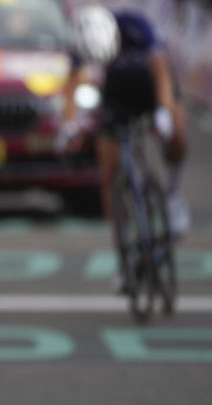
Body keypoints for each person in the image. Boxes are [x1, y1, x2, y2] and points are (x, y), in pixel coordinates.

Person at [60, 3, 190, 239]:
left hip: (151, 86)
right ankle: (123, 244)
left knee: (177, 130)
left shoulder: (134, 25)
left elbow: (161, 71)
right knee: (108, 170)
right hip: (118, 93)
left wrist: (163, 112)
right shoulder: (79, 39)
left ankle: (172, 195)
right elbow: (71, 85)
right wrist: (70, 126)